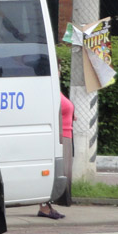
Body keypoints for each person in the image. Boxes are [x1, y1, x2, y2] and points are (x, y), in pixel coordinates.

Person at [38, 92, 74, 220]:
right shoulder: (50, 89)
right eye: (58, 70)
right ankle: (44, 207)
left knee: (62, 173)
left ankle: (49, 206)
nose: (59, 71)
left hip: (66, 135)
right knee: (54, 173)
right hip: (60, 136)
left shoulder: (57, 89)